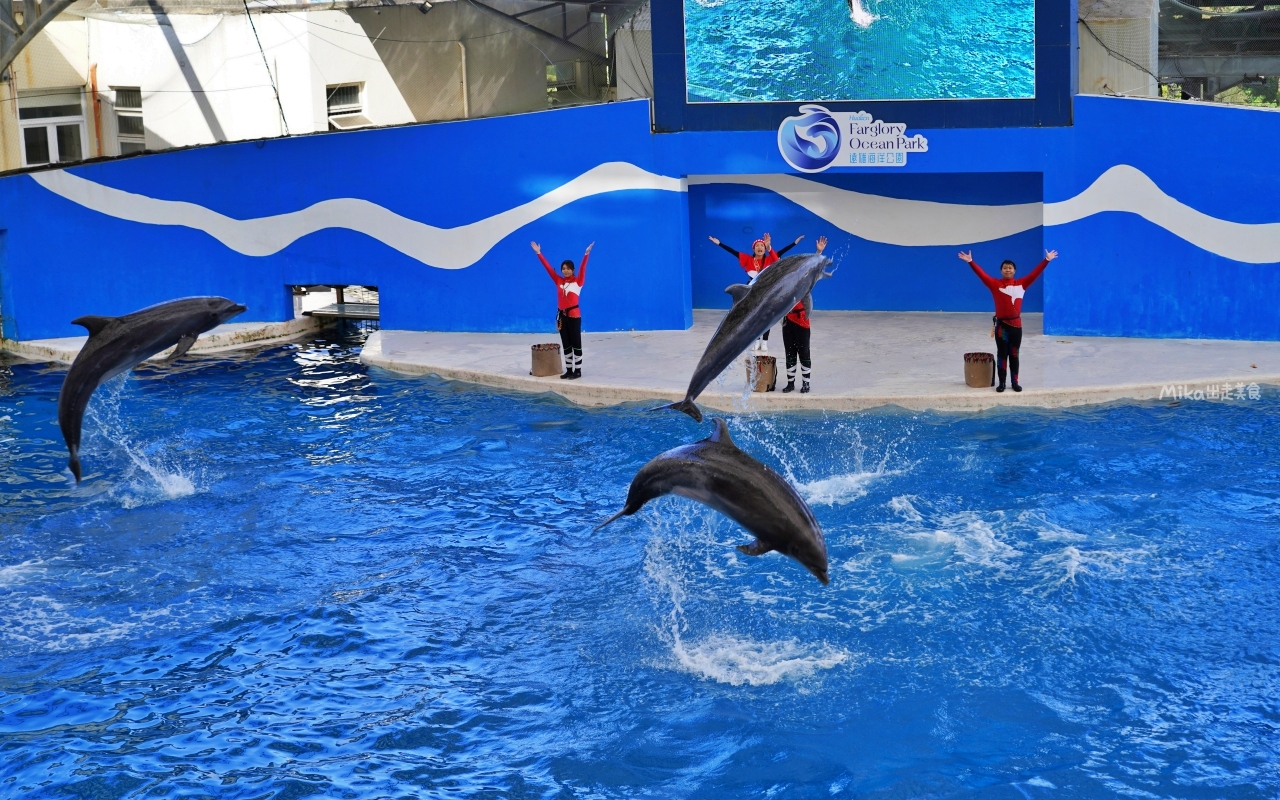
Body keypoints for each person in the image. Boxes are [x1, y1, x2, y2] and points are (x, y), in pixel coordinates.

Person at [958, 248, 1059, 392]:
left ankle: (1015, 382)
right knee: (1002, 354)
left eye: (1010, 268)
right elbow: (982, 275)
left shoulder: (1022, 284)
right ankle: (1002, 383)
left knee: (1014, 354)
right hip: (1002, 327)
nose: (1007, 270)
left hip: (1016, 326)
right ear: (1001, 271)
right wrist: (970, 262)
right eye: (1005, 268)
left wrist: (1047, 260)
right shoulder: (994, 284)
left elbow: (1035, 274)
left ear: (1014, 271)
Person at [707, 232, 804, 352]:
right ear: (753, 248)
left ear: (765, 248)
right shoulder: (748, 259)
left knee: (767, 316)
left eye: (762, 246)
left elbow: (782, 252)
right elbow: (733, 252)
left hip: (767, 290)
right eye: (757, 246)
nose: (760, 248)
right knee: (754, 316)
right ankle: (756, 340)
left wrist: (794, 243)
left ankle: (764, 342)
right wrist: (719, 243)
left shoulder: (769, 259)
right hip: (752, 290)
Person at [532, 240, 592, 380]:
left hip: (574, 316)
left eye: (568, 268)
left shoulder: (578, 281)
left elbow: (583, 268)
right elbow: (547, 268)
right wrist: (539, 253)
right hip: (562, 317)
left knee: (576, 343)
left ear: (573, 270)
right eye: (563, 268)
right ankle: (569, 370)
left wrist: (586, 254)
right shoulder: (559, 281)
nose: (565, 270)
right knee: (566, 344)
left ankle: (577, 371)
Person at [782, 236, 827, 393]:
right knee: (789, 352)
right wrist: (769, 249)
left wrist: (818, 252)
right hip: (788, 321)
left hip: (802, 321)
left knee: (804, 352)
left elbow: (814, 269)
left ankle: (806, 383)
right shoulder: (785, 284)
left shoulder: (805, 283)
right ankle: (790, 383)